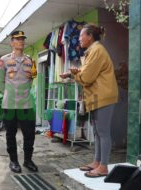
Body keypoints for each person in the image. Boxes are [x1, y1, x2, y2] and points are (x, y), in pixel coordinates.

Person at [60, 24, 118, 178]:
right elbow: (86, 73)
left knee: (103, 132)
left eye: (81, 36)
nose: (78, 39)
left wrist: (75, 74)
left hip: (103, 97)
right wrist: (72, 74)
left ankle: (103, 166)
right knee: (98, 133)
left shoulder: (97, 51)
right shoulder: (92, 51)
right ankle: (97, 162)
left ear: (90, 36)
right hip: (97, 97)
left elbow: (86, 77)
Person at [0, 31, 38, 173]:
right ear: (11, 42)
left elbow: (31, 79)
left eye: (22, 39)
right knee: (10, 133)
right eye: (17, 39)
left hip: (26, 103)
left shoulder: (30, 60)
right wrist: (9, 94)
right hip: (10, 104)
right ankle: (13, 161)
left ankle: (28, 160)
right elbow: (0, 82)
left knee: (29, 134)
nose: (21, 41)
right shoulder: (4, 60)